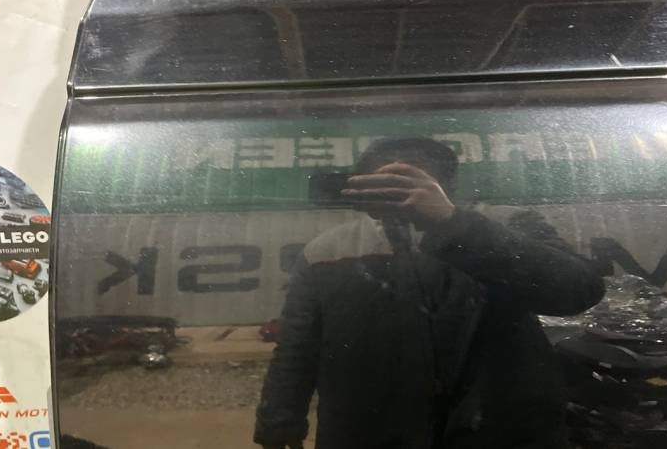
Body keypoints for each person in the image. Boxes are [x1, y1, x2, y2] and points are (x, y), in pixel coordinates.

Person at [254, 137, 605, 449]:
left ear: (444, 183)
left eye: (406, 178)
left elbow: (578, 290)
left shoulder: (508, 223)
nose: (392, 189)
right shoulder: (328, 249)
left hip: (499, 431)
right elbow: (298, 344)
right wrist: (278, 422)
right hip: (368, 433)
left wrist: (450, 222)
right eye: (379, 180)